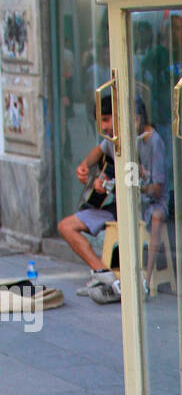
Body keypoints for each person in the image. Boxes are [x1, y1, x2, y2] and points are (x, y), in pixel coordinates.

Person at [58, 92, 120, 300]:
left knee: (70, 224)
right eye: (100, 122)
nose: (104, 127)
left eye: (106, 120)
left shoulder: (141, 142)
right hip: (112, 207)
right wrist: (85, 165)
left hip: (130, 208)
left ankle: (106, 276)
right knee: (66, 226)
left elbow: (142, 184)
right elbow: (99, 150)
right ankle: (102, 273)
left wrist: (109, 186)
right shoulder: (110, 140)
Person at [135, 96, 169, 295]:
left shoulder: (155, 142)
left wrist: (141, 186)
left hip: (157, 200)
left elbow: (157, 187)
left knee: (156, 218)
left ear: (140, 118)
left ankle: (147, 278)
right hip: (142, 198)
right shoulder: (136, 141)